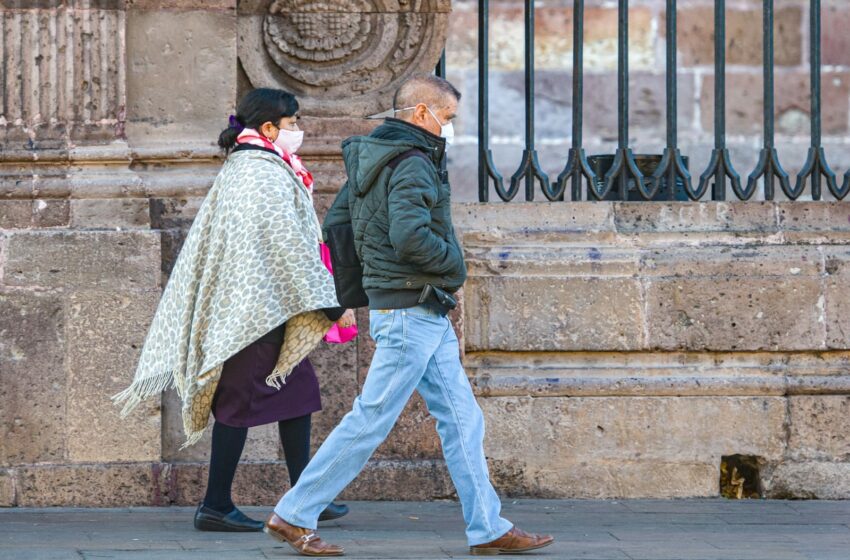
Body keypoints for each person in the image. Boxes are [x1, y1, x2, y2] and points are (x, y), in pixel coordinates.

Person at [263, 74, 554, 556]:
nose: (450, 128)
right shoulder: (414, 162)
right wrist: (455, 265)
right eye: (449, 117)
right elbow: (409, 235)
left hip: (415, 307)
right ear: (422, 114)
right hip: (408, 307)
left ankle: (488, 527)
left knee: (462, 418)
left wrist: (366, 284)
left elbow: (340, 226)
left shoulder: (375, 157)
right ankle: (294, 514)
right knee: (372, 418)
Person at [114, 88, 355, 532]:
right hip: (251, 314)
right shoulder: (259, 174)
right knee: (238, 403)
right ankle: (215, 504)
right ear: (268, 128)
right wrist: (330, 302)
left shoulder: (258, 166)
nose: (298, 131)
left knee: (297, 396)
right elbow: (285, 246)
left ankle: (306, 496)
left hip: (267, 306)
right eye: (293, 123)